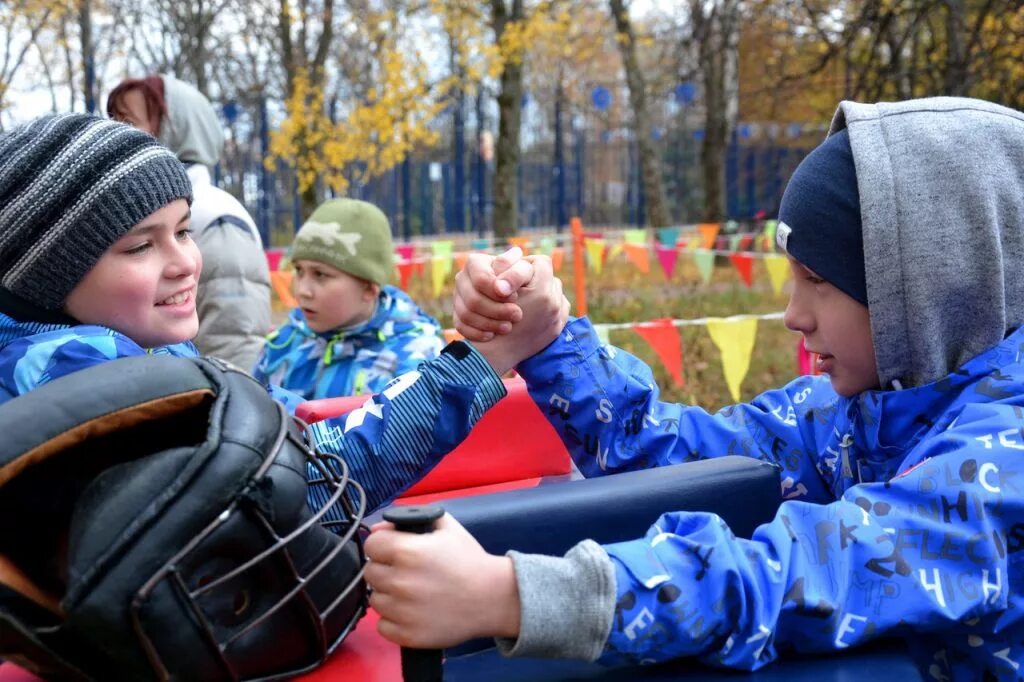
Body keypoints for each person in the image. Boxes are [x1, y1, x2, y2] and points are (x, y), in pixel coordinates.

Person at [363, 97, 1024, 679]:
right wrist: (548, 340)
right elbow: (680, 457)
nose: (794, 314)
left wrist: (510, 595)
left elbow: (811, 574)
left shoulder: (1005, 456)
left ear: (932, 292)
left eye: (817, 281)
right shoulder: (854, 411)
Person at [0, 113, 564, 519]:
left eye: (182, 232)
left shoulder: (132, 348)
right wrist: (483, 360)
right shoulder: (78, 378)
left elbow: (274, 420)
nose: (185, 264)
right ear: (48, 274)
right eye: (140, 246)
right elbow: (294, 491)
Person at [107, 74, 271, 371]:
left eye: (128, 121)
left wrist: (220, 409)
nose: (113, 131)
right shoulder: (128, 211)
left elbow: (234, 341)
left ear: (176, 127)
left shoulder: (215, 214)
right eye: (112, 119)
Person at [252, 198, 443, 399]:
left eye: (320, 275)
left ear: (368, 289)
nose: (302, 290)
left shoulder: (415, 359)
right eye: (299, 271)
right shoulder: (283, 344)